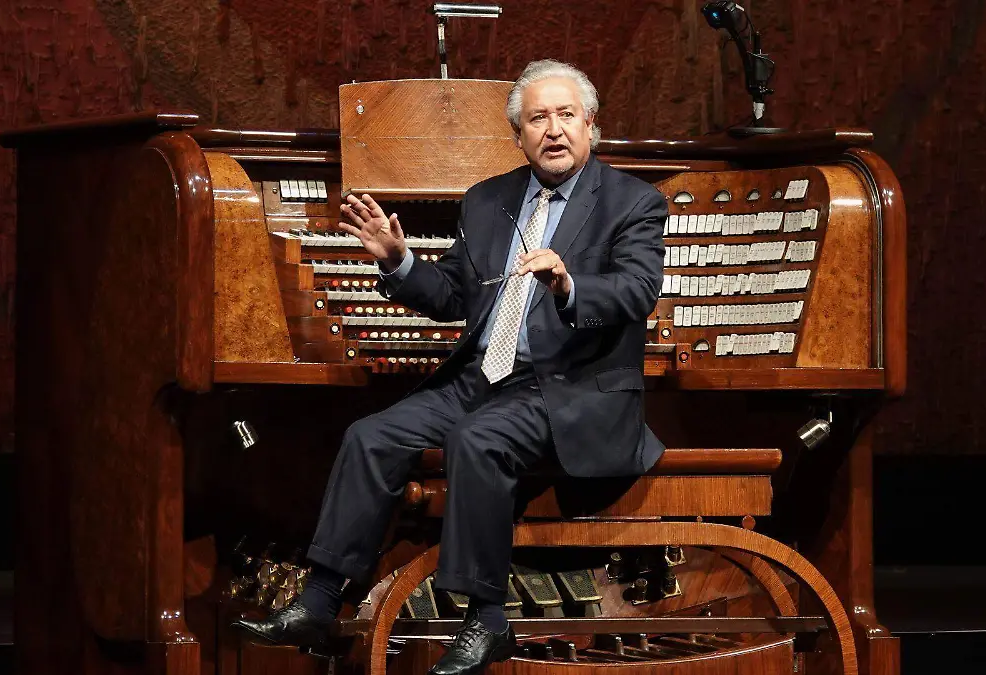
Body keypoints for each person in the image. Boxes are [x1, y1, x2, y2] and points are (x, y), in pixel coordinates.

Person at [235, 59, 667, 675]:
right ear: (517, 135)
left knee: (477, 438)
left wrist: (570, 283)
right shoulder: (488, 200)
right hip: (481, 378)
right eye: (537, 118)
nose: (553, 129)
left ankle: (486, 618)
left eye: (565, 115)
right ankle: (320, 600)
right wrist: (400, 260)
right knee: (371, 435)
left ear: (590, 124)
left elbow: (637, 290)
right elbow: (455, 297)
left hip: (569, 389)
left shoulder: (632, 202)